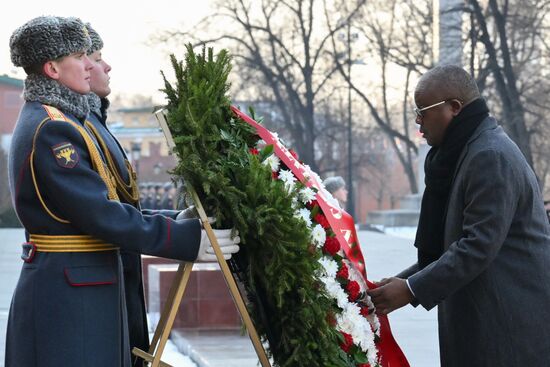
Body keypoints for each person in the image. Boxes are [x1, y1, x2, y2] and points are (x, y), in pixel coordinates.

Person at [6, 16, 239, 367]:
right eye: (80, 56)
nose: (91, 65)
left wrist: (178, 220)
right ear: (53, 68)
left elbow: (107, 205)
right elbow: (100, 214)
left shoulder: (62, 120)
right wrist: (185, 239)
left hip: (81, 286)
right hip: (70, 296)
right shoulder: (52, 129)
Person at [367, 65, 550, 366]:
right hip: (490, 322)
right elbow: (452, 245)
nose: (418, 121)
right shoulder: (467, 152)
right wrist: (399, 283)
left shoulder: (489, 155)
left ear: (454, 108)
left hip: (510, 330)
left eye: (422, 111)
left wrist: (411, 289)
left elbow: (478, 245)